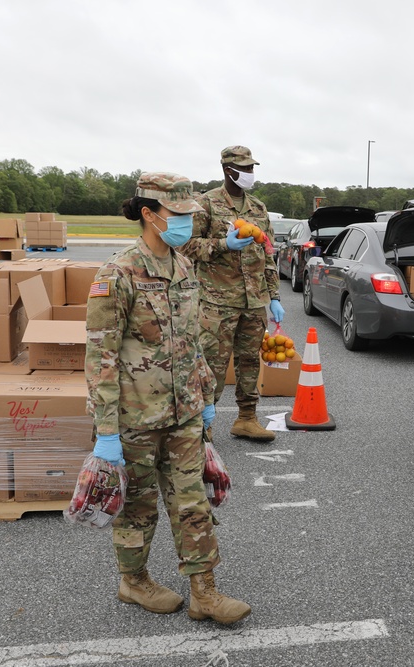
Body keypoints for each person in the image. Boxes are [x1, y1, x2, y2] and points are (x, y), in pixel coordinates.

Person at [84, 172, 250, 625]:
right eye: (177, 215)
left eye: (189, 215)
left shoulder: (183, 267)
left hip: (185, 412)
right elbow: (101, 355)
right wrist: (105, 431)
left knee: (192, 503)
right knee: (137, 509)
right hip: (135, 417)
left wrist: (208, 395)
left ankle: (205, 593)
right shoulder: (117, 273)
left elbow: (193, 341)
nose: (186, 224)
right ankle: (133, 582)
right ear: (148, 214)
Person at [184, 145, 284, 442]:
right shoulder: (205, 204)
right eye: (246, 169)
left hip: (254, 302)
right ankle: (204, 425)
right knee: (212, 364)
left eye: (253, 168)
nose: (251, 174)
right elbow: (185, 248)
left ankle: (246, 418)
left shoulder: (259, 208)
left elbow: (268, 254)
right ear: (229, 170)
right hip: (217, 302)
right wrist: (222, 245)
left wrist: (275, 296)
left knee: (250, 361)